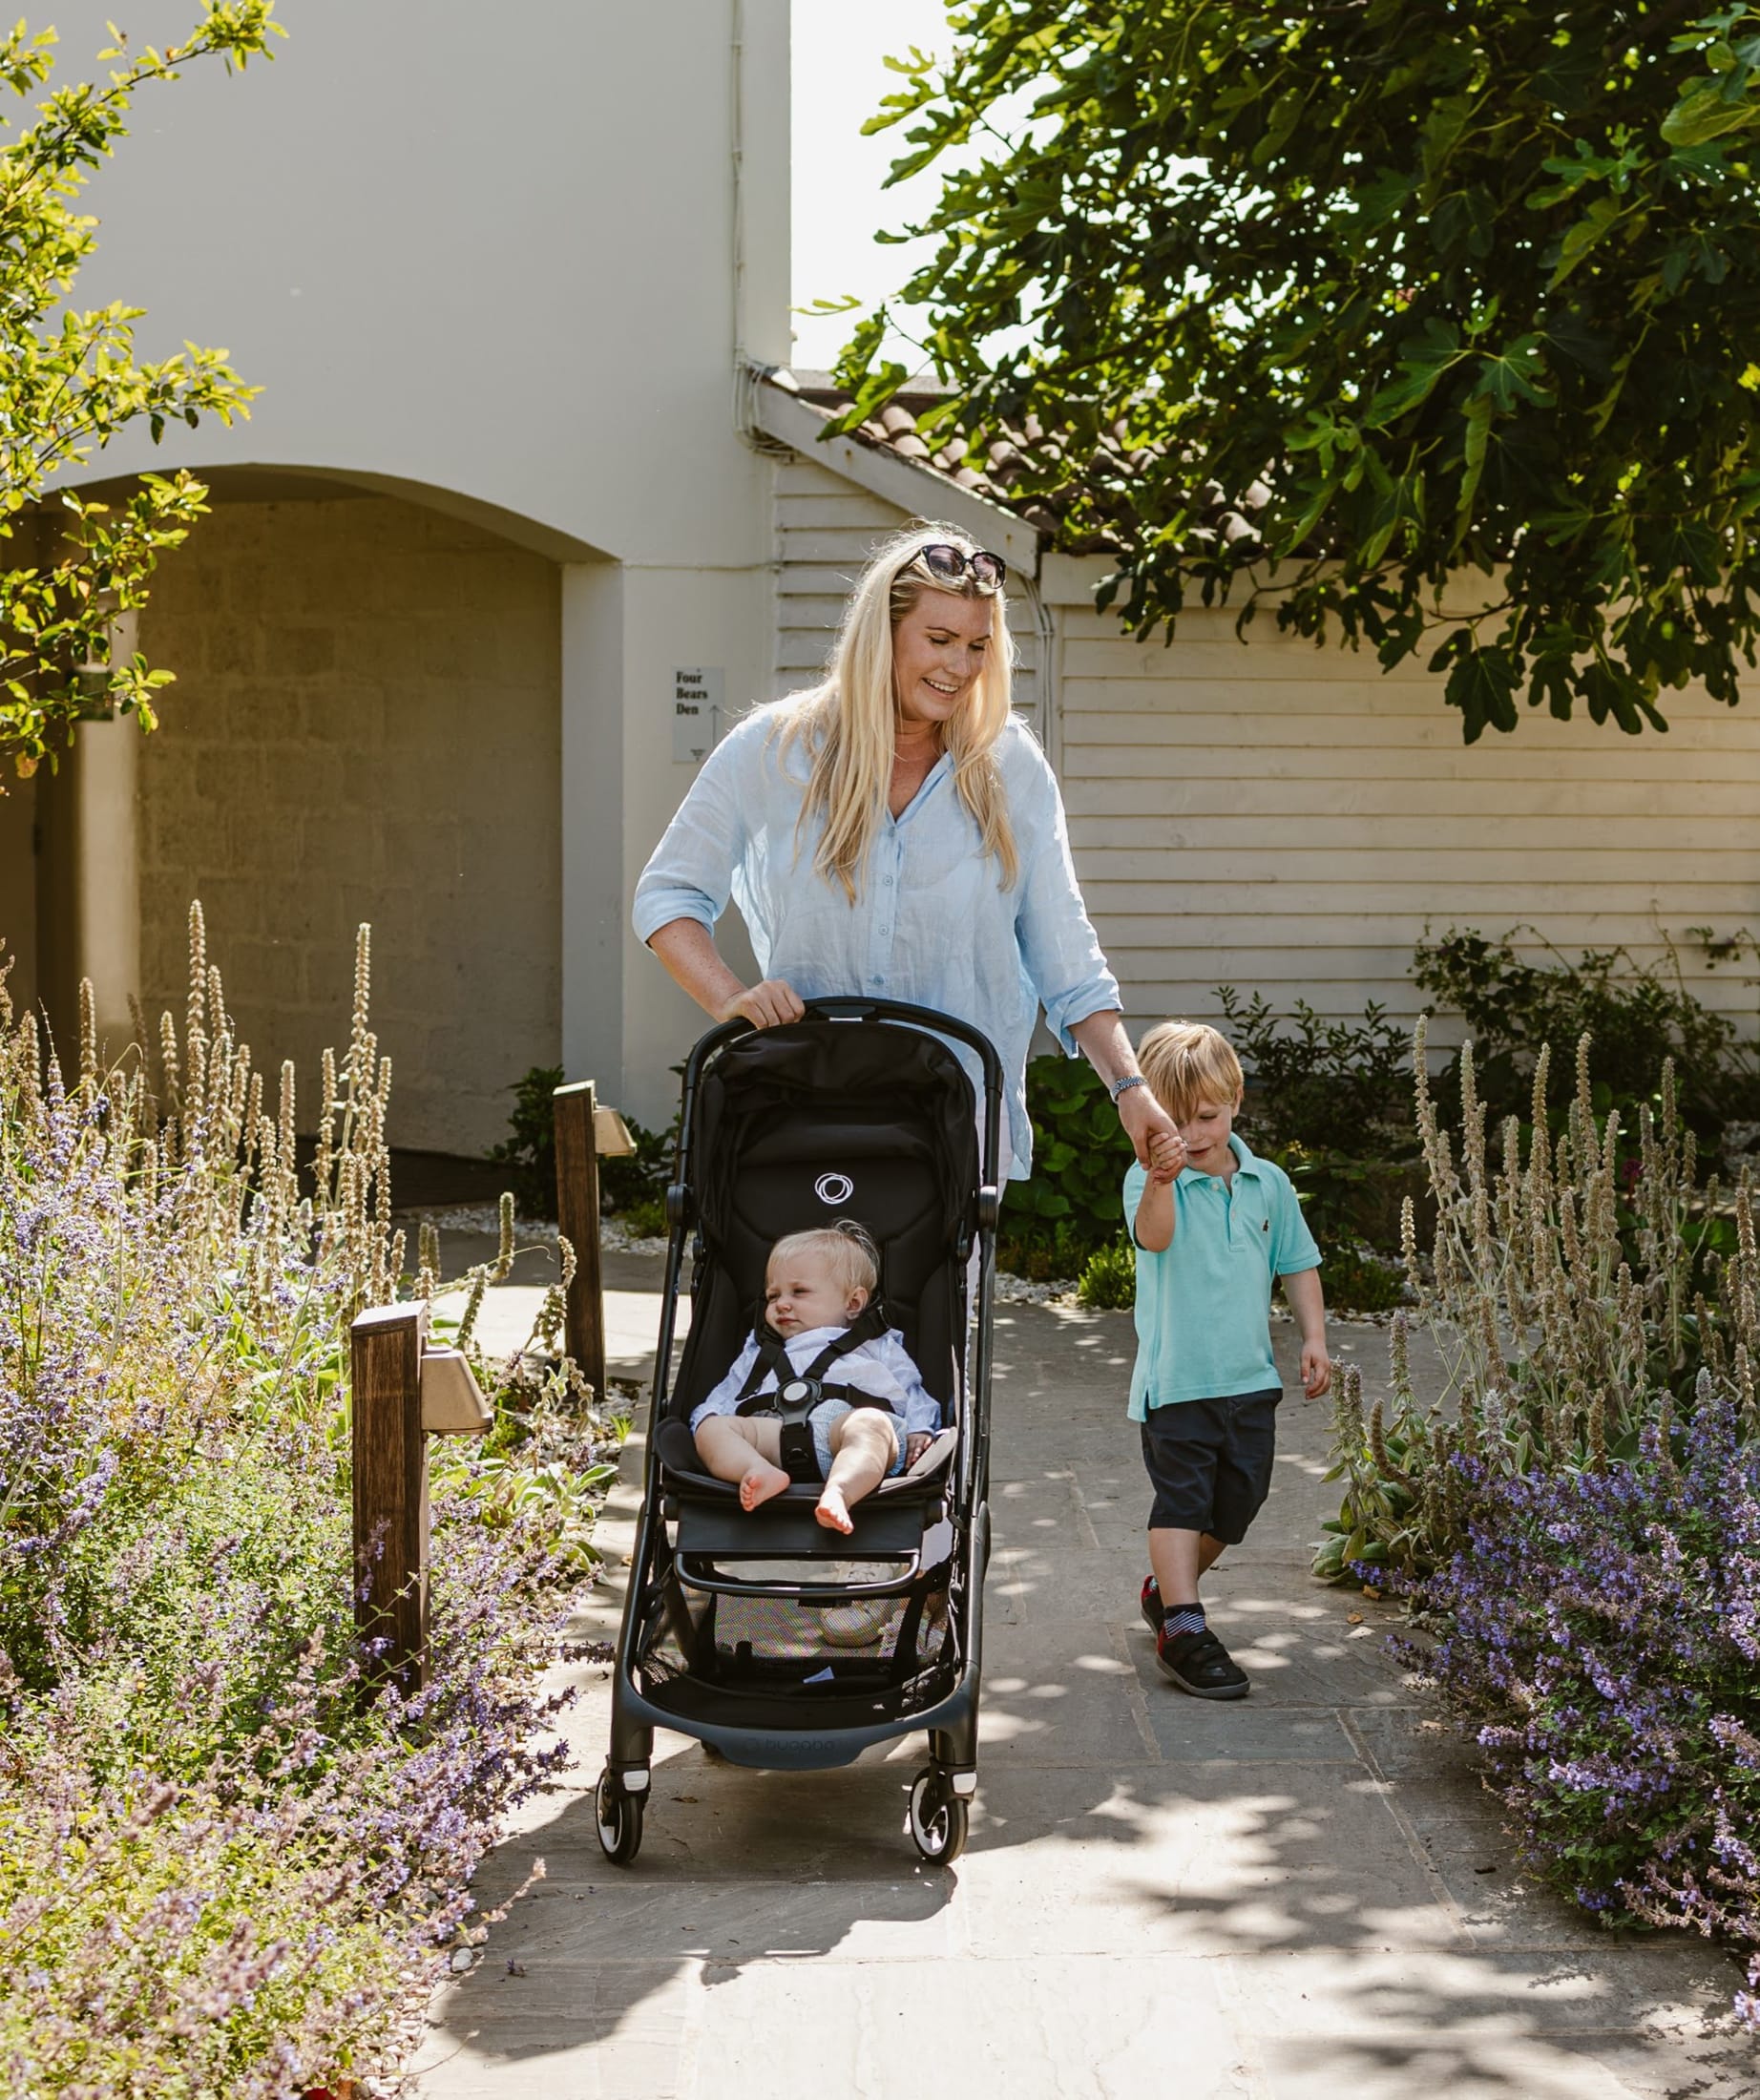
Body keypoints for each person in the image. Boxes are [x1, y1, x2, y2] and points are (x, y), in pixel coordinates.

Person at [632, 521, 1179, 1186]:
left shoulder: (1011, 769)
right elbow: (668, 896)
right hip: (803, 1115)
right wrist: (731, 999)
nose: (960, 666)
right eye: (940, 640)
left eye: (978, 645)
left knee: (939, 1295)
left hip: (953, 1134)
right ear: (881, 637)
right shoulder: (773, 750)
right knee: (808, 1295)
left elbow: (1067, 958)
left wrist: (1131, 1089)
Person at [1124, 1020, 1331, 1699]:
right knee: (1182, 1499)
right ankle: (1184, 1623)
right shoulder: (1149, 1181)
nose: (1193, 1133)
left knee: (1238, 1502)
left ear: (1236, 1098)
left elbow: (1297, 1264)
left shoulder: (1268, 1184)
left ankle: (1167, 1587)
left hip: (1249, 1378)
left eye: (1207, 1116)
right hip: (1176, 1380)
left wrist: (1313, 1338)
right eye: (1177, 1121)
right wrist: (1160, 1178)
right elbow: (1153, 1240)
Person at [692, 1223, 942, 1534]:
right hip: (773, 1435)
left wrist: (920, 1426)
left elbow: (911, 1387)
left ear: (853, 1303)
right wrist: (706, 1425)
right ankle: (756, 1471)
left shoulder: (876, 1343)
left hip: (844, 1428)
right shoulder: (761, 1350)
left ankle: (839, 1491)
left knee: (871, 1425)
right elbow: (726, 1393)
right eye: (772, 1296)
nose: (782, 1303)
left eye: (799, 1292)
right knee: (711, 1427)